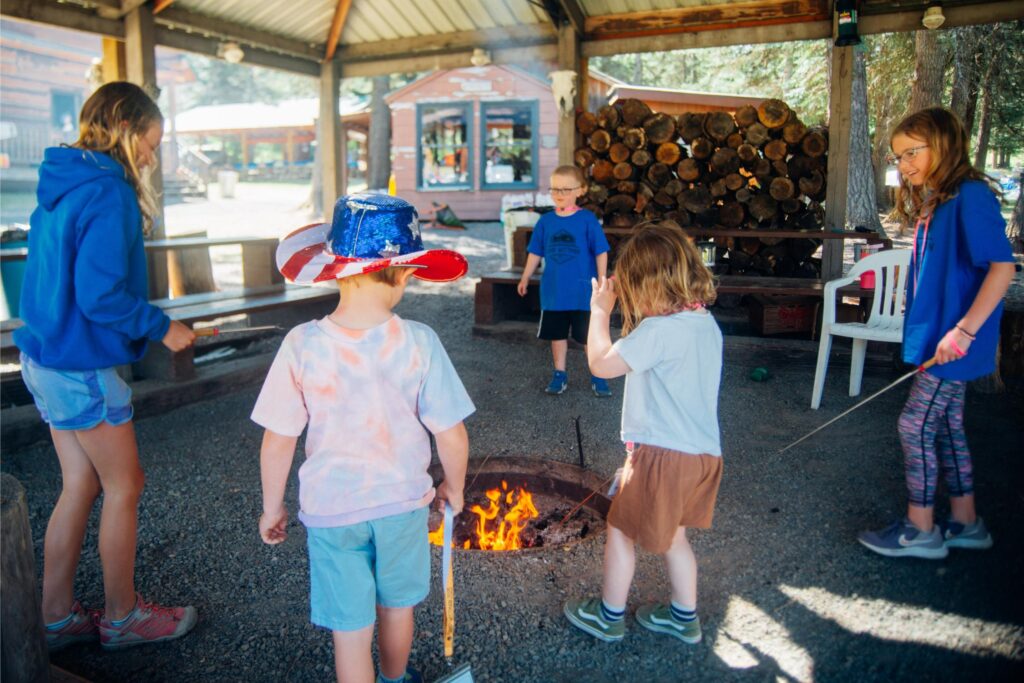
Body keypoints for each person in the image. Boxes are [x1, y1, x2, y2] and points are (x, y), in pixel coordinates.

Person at [256, 194, 474, 683]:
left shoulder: (302, 344)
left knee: (350, 629)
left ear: (338, 269)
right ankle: (396, 679)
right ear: (400, 275)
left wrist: (273, 507)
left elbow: (278, 439)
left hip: (332, 511)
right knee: (397, 608)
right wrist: (454, 488)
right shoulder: (420, 341)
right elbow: (452, 433)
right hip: (401, 505)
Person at [14, 81, 198, 651]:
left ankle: (55, 615)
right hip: (80, 365)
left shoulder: (61, 184)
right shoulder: (108, 191)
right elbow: (101, 296)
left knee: (80, 485)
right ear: (127, 129)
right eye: (151, 141)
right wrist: (163, 326)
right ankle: (122, 618)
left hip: (43, 357)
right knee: (125, 484)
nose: (151, 154)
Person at [858, 108, 1015, 560]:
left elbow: (1002, 269)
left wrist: (963, 332)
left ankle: (921, 529)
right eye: (898, 156)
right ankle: (965, 522)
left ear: (943, 145)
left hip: (956, 341)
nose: (904, 164)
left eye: (912, 152)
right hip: (939, 337)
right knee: (945, 425)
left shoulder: (970, 196)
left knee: (914, 425)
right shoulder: (940, 198)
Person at [563, 223, 723, 644]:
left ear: (647, 284)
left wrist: (600, 312)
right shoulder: (704, 323)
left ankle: (608, 615)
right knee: (674, 537)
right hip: (702, 455)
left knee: (620, 529)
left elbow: (601, 365)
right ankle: (683, 616)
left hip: (664, 455)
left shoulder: (659, 332)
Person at [517, 165, 611, 396]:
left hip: (583, 293)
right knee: (557, 336)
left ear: (580, 190)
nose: (559, 194)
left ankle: (598, 373)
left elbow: (601, 251)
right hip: (554, 292)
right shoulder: (546, 221)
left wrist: (601, 280)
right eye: (555, 189)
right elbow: (535, 252)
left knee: (589, 335)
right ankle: (560, 373)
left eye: (566, 189)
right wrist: (525, 276)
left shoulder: (587, 220)